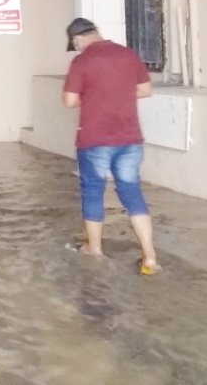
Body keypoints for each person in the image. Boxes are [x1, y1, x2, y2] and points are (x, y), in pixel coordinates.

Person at [62, 17, 159, 275]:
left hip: (95, 139)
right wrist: (118, 93)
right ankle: (149, 256)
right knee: (132, 192)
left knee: (93, 191)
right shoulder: (129, 55)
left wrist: (94, 96)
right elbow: (145, 90)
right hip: (129, 138)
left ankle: (94, 248)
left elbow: (69, 101)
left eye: (75, 43)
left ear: (77, 39)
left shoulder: (82, 61)